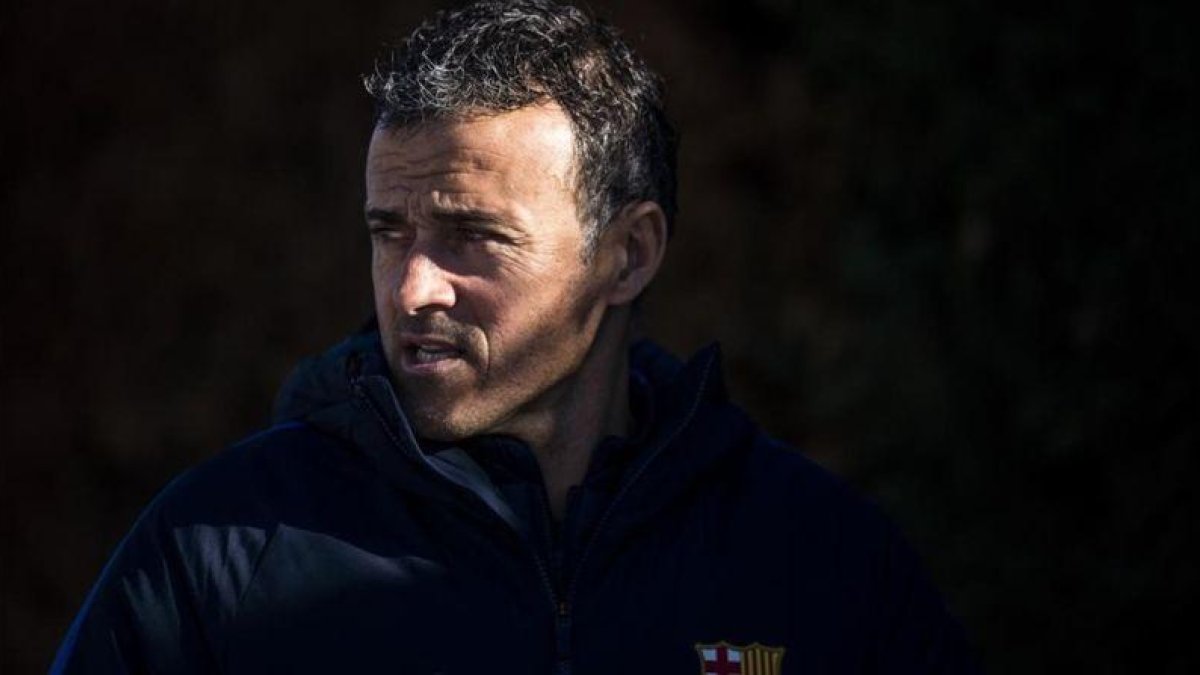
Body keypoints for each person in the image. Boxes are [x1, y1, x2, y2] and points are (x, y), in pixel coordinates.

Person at [51, 1, 978, 673]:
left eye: (472, 235)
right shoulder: (214, 553)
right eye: (389, 233)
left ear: (628, 254)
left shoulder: (819, 562)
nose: (412, 288)